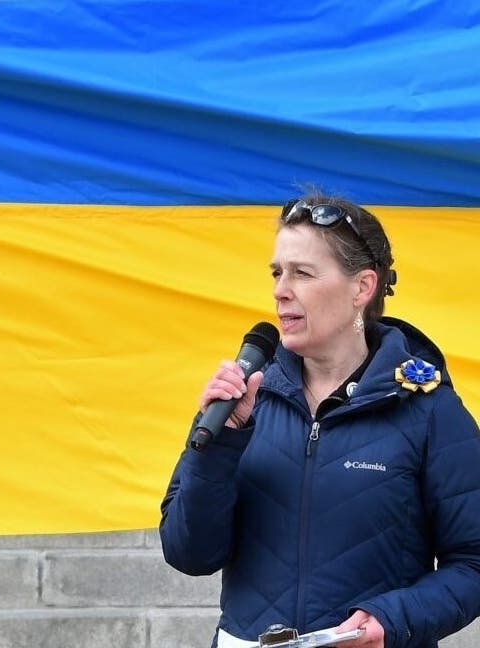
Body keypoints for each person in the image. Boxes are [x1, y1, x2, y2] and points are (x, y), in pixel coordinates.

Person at [159, 193, 480, 648]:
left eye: (303, 273)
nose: (280, 290)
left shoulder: (429, 410)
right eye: (277, 272)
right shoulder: (244, 402)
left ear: (362, 288)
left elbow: (474, 563)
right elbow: (188, 552)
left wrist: (394, 619)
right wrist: (219, 446)